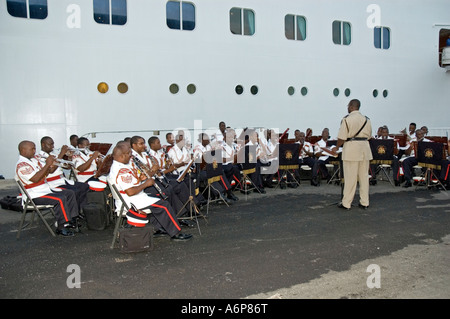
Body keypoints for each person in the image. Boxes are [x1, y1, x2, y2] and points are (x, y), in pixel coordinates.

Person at [107, 141, 192, 241]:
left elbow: (130, 184)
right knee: (163, 205)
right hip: (132, 201)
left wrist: (140, 179)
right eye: (129, 154)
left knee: (161, 197)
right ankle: (176, 233)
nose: (131, 156)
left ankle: (158, 228)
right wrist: (146, 184)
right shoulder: (122, 170)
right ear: (122, 155)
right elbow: (130, 192)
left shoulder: (121, 166)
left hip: (136, 197)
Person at [15, 140, 80, 236]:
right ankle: (61, 227)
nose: (34, 151)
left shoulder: (32, 161)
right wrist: (47, 164)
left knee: (69, 193)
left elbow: (47, 172)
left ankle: (71, 220)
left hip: (44, 190)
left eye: (34, 148)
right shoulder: (22, 165)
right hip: (34, 195)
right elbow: (36, 178)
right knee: (60, 199)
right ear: (23, 150)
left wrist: (51, 165)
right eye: (32, 149)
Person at [332, 99, 373, 210]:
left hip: (351, 149)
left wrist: (336, 147)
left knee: (350, 178)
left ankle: (346, 203)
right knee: (364, 177)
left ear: (351, 107)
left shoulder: (346, 119)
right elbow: (369, 136)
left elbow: (342, 137)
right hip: (364, 148)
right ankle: (364, 202)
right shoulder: (367, 120)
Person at [37, 136, 89, 212]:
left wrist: (70, 157)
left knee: (84, 187)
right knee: (75, 191)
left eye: (53, 144)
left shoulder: (53, 155)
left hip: (62, 180)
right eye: (50, 144)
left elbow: (67, 167)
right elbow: (51, 170)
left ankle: (80, 211)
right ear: (43, 144)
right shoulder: (40, 157)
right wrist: (61, 153)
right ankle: (72, 214)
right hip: (53, 183)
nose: (53, 146)